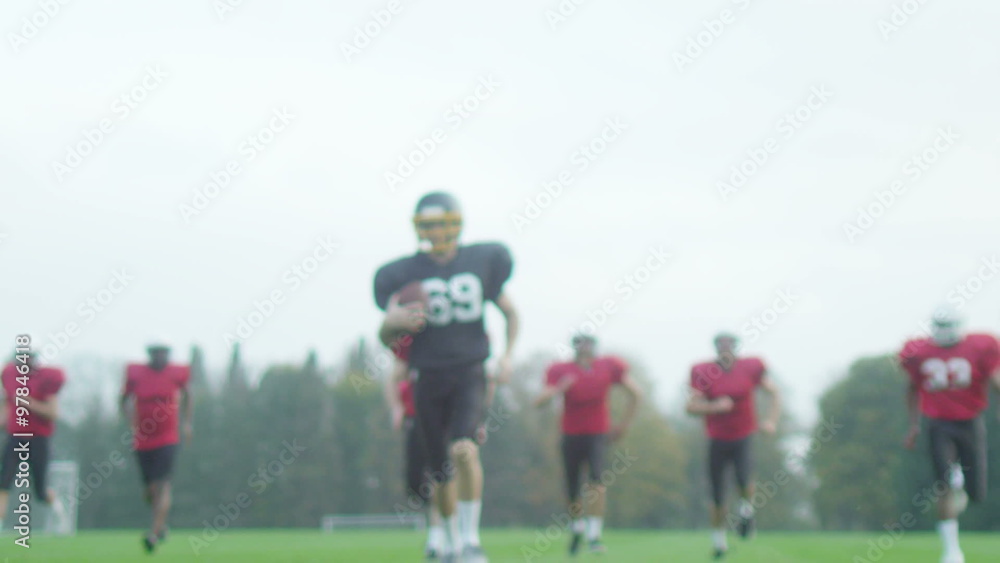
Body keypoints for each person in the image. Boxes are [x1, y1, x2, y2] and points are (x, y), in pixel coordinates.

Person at [374, 191, 519, 563]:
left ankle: (471, 540)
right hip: (427, 375)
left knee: (464, 449)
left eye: (440, 223)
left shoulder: (481, 260)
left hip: (470, 370)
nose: (434, 231)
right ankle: (451, 539)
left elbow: (510, 313)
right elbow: (387, 338)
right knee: (438, 468)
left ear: (455, 223)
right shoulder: (404, 274)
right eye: (427, 225)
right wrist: (393, 322)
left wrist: (507, 356)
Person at [899, 306, 1000, 563]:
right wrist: (914, 425)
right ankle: (952, 551)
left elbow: (995, 377)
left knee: (977, 494)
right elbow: (912, 388)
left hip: (970, 422)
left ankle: (961, 485)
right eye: (939, 326)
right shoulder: (919, 351)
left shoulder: (981, 345)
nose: (943, 332)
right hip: (938, 423)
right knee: (942, 483)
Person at [534, 334, 640, 556]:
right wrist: (560, 389)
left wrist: (624, 425)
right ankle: (576, 529)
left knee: (597, 480)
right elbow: (539, 401)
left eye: (589, 344)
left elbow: (636, 394)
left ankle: (594, 534)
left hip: (597, 433)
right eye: (581, 345)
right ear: (575, 348)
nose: (585, 349)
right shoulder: (561, 370)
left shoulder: (608, 367)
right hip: (571, 433)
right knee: (572, 486)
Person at [686, 332, 780, 560]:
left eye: (730, 346)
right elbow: (690, 406)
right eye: (722, 346)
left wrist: (770, 421)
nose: (725, 350)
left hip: (743, 434)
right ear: (716, 348)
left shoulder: (750, 368)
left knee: (744, 479)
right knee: (717, 493)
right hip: (717, 437)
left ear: (736, 348)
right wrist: (714, 407)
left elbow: (773, 392)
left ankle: (746, 513)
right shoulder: (704, 371)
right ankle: (719, 542)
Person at [119, 341, 192, 552]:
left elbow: (188, 395)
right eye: (155, 353)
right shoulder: (137, 375)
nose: (159, 357)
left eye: (163, 353)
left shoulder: (176, 374)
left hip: (167, 438)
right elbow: (123, 399)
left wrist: (187, 423)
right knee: (150, 490)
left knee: (162, 484)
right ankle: (161, 526)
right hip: (143, 439)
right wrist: (130, 423)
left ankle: (153, 533)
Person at [383, 335, 445, 559]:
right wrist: (396, 408)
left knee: (440, 475)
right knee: (415, 482)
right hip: (415, 419)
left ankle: (438, 535)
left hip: (443, 419)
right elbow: (392, 380)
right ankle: (443, 520)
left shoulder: (453, 346)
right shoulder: (412, 346)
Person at [0, 349, 67, 532]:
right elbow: (7, 405)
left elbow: (53, 413)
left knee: (40, 491)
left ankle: (57, 509)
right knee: (3, 482)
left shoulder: (47, 378)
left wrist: (27, 402)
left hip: (38, 438)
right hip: (15, 437)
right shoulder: (9, 374)